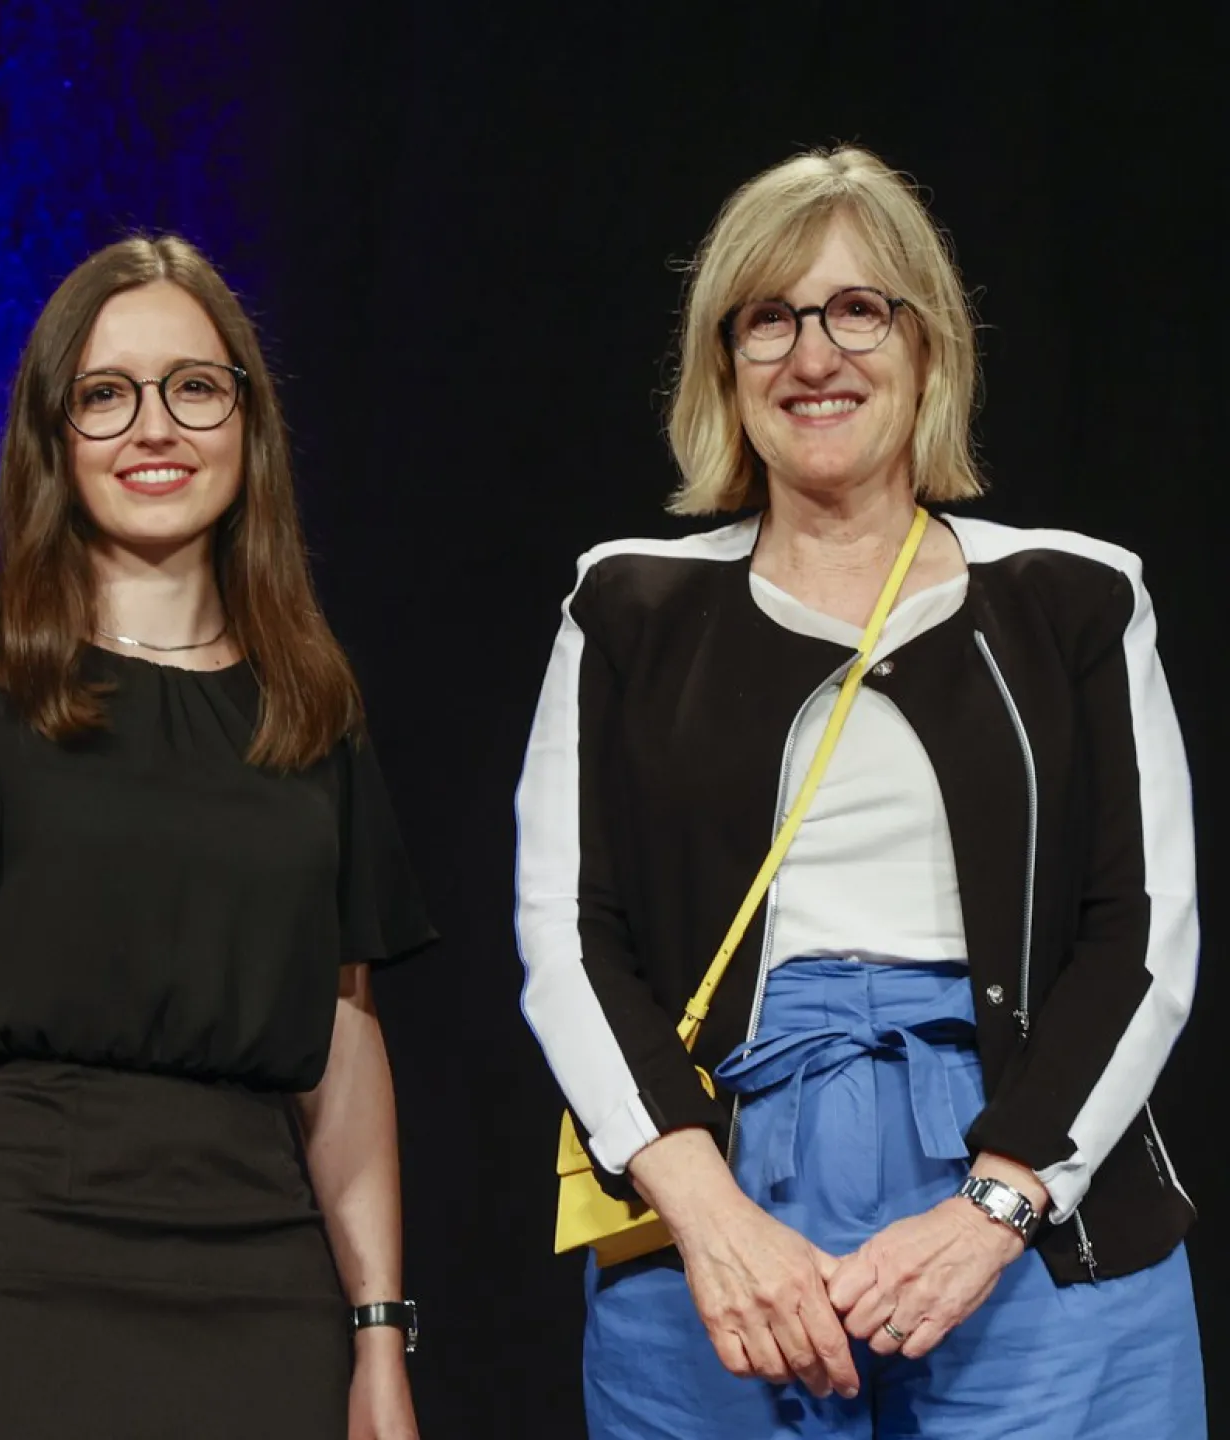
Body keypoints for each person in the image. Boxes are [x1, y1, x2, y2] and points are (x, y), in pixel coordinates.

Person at [514, 146, 1205, 1438]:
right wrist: (709, 1219)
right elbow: (567, 933)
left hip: (1035, 1184)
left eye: (856, 309)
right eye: (767, 318)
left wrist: (996, 1207)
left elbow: (1143, 933)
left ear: (929, 346)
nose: (812, 355)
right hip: (718, 1183)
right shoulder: (627, 604)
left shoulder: (1074, 596)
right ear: (723, 365)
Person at [0, 235, 434, 1440]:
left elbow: (346, 1040)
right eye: (106, 396)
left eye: (195, 388)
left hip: (263, 1283)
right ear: (54, 438)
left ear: (248, 422)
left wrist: (378, 1340)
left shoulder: (312, 706)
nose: (155, 427)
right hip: (18, 1271)